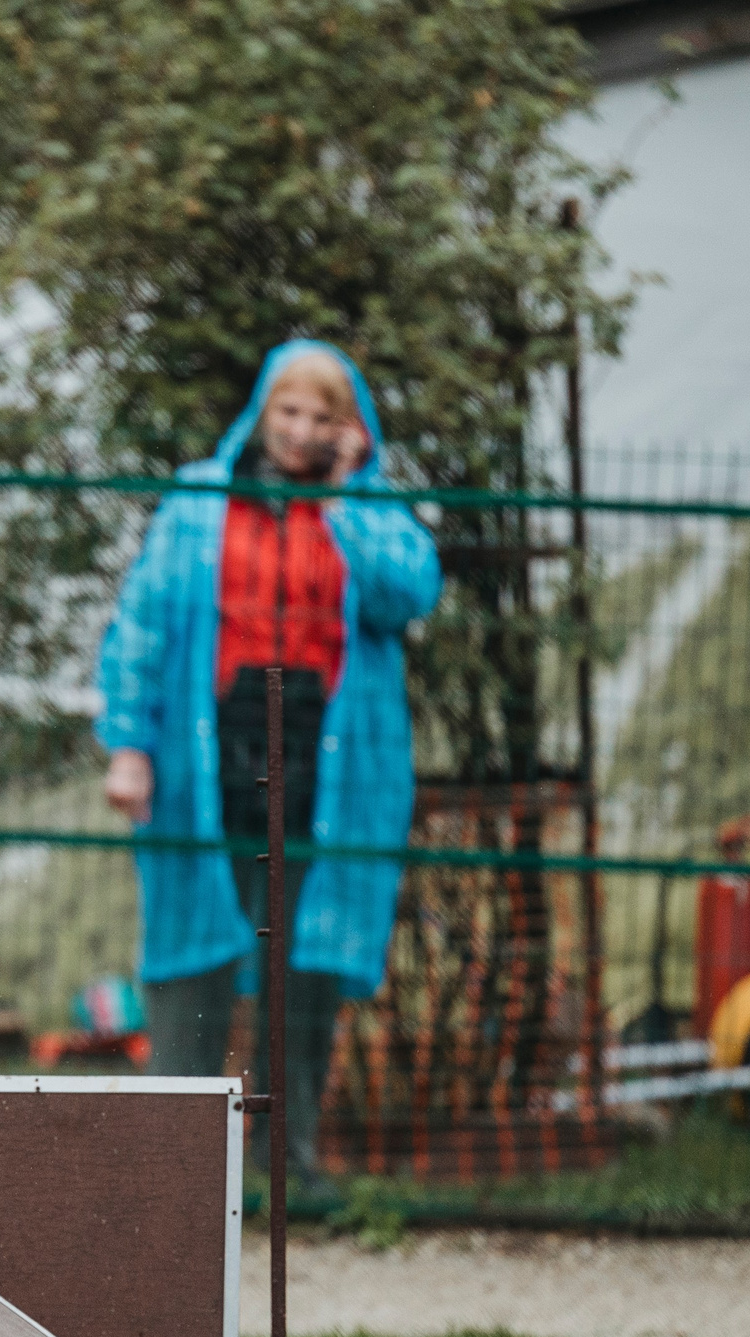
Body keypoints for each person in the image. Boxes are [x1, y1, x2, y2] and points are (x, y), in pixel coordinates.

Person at [94, 341, 439, 1190]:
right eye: (289, 412)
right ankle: (172, 1169)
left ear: (348, 430)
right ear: (261, 411)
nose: (301, 430)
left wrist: (344, 496)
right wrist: (130, 746)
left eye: (323, 418)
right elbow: (141, 622)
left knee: (307, 959)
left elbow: (410, 595)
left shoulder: (369, 510)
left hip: (329, 765)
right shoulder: (198, 502)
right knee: (193, 951)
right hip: (202, 760)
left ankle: (291, 1166)